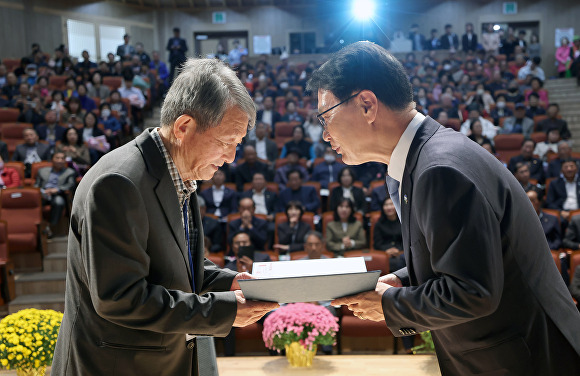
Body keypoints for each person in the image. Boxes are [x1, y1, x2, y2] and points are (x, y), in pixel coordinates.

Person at [307, 41, 580, 375]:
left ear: (367, 105)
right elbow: (466, 256)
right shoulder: (428, 157)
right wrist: (403, 281)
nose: (324, 134)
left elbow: (472, 291)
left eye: (326, 116)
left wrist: (387, 305)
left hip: (526, 358)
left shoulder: (440, 169)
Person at [51, 58, 278, 375]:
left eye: (237, 145)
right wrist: (221, 310)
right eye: (227, 142)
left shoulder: (179, 170)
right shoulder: (119, 183)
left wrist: (232, 281)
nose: (231, 158)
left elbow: (175, 264)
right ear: (184, 127)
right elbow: (120, 297)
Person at [35, 152, 76, 237]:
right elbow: (36, 184)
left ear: (65, 161)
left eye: (62, 158)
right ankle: (35, 227)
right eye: (57, 158)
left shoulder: (70, 172)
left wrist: (57, 189)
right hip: (43, 194)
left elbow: (70, 185)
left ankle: (51, 227)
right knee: (33, 202)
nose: (60, 160)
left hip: (58, 194)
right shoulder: (42, 171)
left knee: (59, 202)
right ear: (52, 160)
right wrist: (41, 191)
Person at [526, 187, 562, 251]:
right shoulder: (519, 219)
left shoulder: (552, 219)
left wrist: (549, 250)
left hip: (548, 252)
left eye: (532, 200)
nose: (529, 204)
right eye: (527, 200)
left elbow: (558, 240)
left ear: (540, 202)